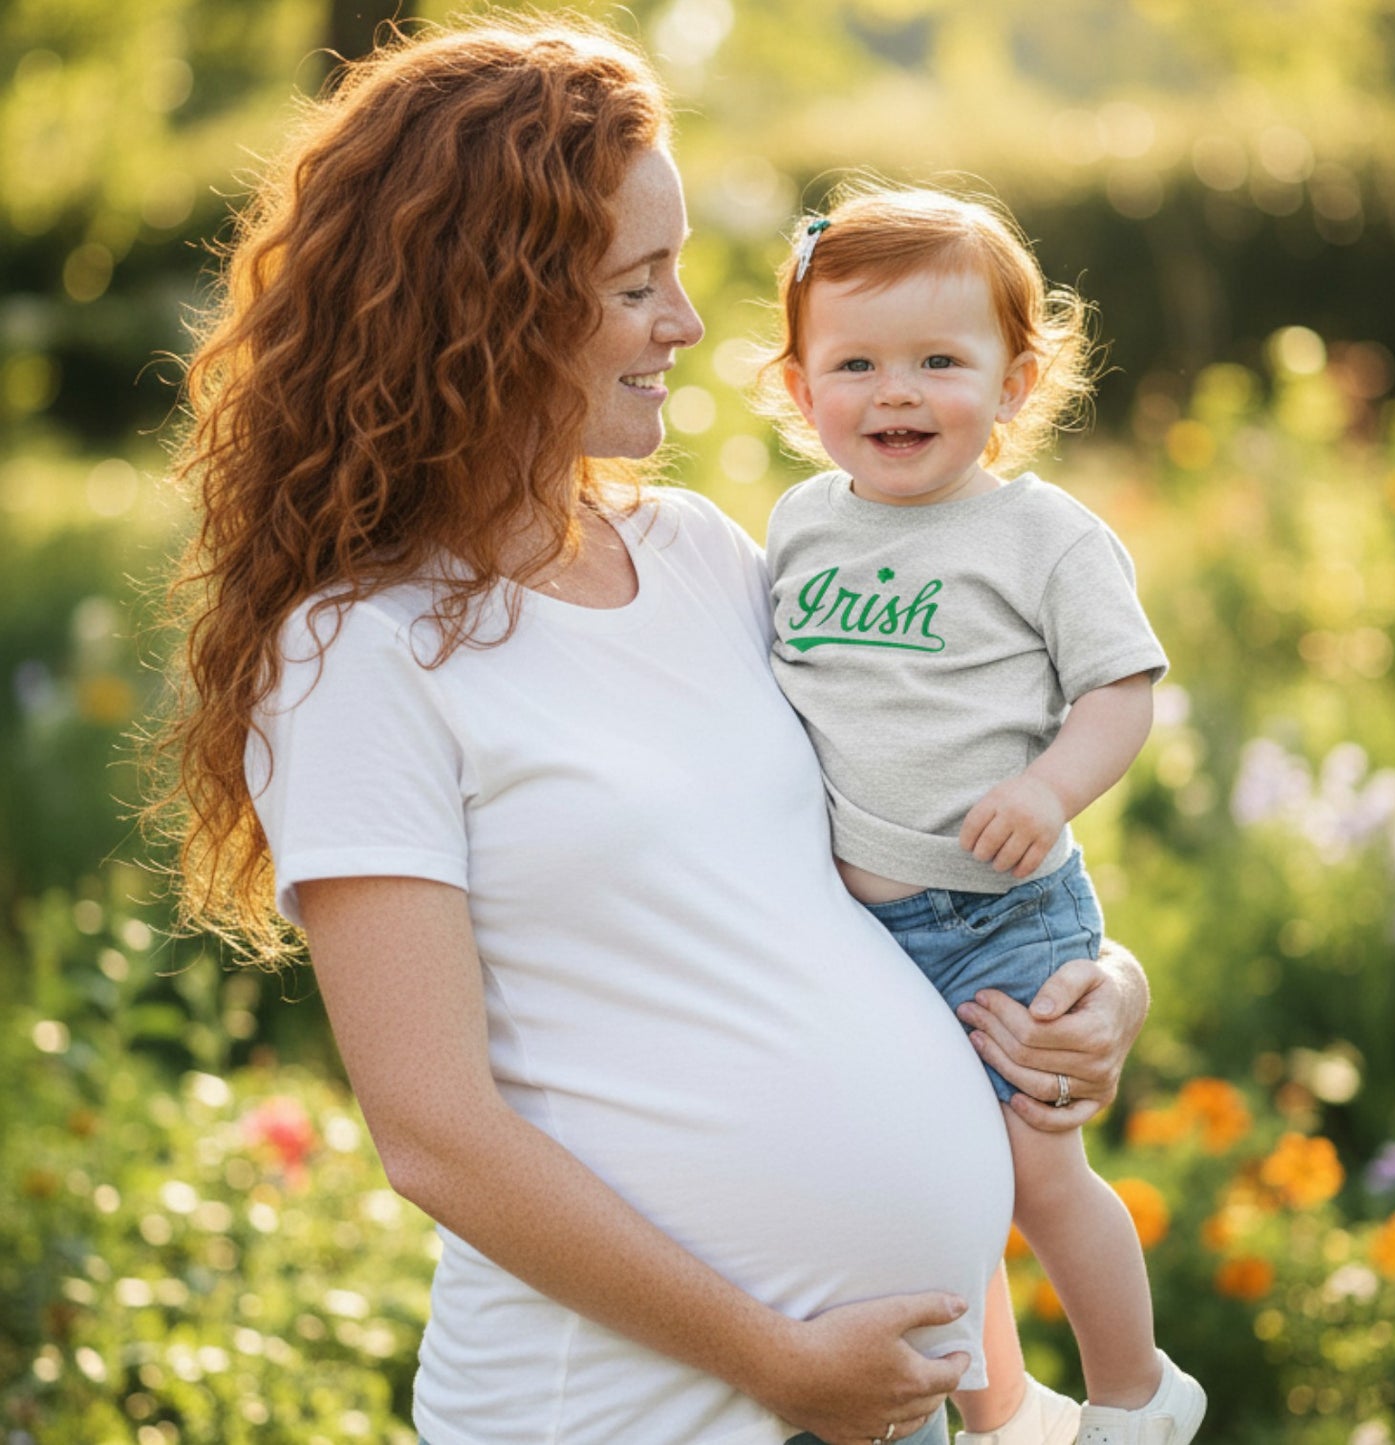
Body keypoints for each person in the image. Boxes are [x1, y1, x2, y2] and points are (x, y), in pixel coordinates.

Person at [154, 17, 1153, 1445]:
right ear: (485, 310)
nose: (688, 324)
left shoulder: (696, 555)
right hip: (642, 1413)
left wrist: (1095, 981)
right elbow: (435, 1134)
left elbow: (864, 858)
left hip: (884, 1396)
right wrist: (773, 1358)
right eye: (637, 284)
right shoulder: (356, 654)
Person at [761, 185, 1206, 1445]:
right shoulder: (797, 528)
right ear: (800, 390)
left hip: (1000, 911)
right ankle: (999, 1405)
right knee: (933, 1185)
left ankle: (1136, 1393)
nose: (894, 392)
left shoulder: (1038, 535)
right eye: (855, 362)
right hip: (860, 932)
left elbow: (1121, 690)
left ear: (1014, 382)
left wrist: (1046, 785)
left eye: (938, 362)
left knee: (1033, 1171)